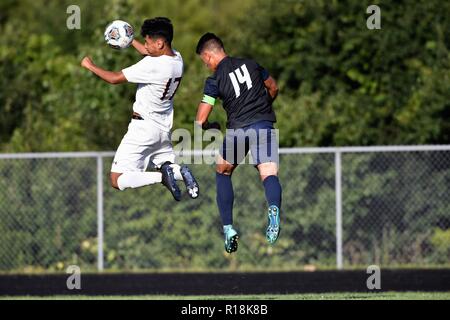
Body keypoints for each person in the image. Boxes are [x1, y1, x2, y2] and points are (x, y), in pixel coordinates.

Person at [81, 17, 199, 201]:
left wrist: (90, 65)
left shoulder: (152, 65)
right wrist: (130, 39)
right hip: (163, 128)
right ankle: (178, 172)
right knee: (166, 165)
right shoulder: (177, 58)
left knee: (117, 178)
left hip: (143, 129)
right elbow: (148, 52)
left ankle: (163, 177)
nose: (145, 45)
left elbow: (114, 78)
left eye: (148, 41)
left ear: (160, 43)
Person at [195, 33, 282, 253]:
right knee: (269, 174)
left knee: (223, 171)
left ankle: (228, 229)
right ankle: (273, 209)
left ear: (208, 54)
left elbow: (201, 119)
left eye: (204, 61)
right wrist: (263, 107)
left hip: (237, 130)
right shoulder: (251, 64)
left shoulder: (214, 80)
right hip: (263, 125)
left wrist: (209, 127)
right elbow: (273, 87)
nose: (206, 65)